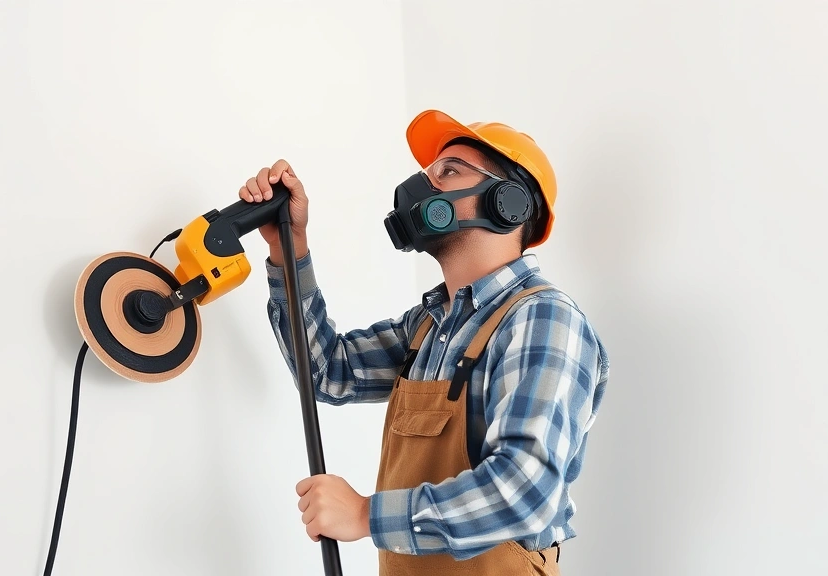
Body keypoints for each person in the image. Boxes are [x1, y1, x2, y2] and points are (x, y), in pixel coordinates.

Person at [238, 109, 609, 576]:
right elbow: (326, 372)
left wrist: (363, 515)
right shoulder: (427, 327)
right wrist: (288, 247)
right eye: (426, 173)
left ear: (508, 204)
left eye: (448, 171)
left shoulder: (542, 318)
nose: (421, 187)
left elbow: (524, 491)